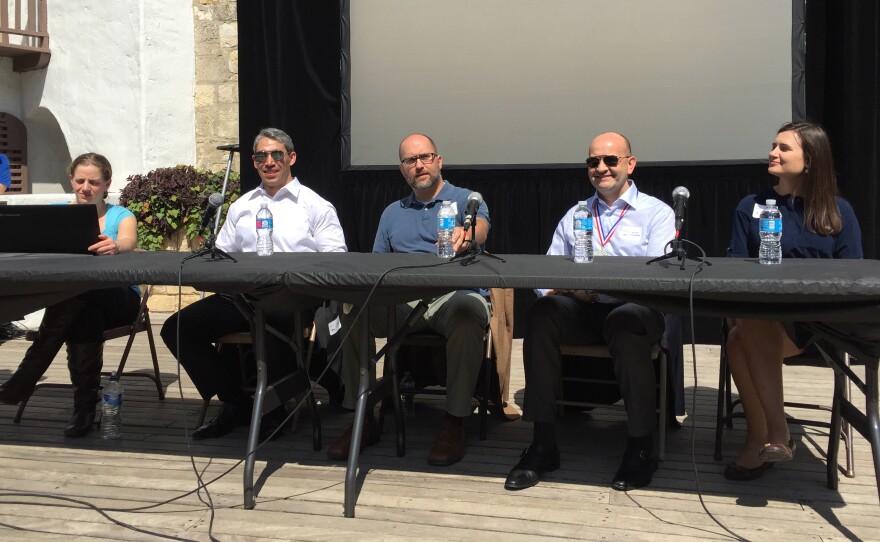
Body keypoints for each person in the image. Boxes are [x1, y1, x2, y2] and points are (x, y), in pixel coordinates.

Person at [504, 132, 675, 492]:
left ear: (630, 164)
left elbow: (658, 278)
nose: (601, 168)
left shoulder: (657, 213)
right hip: (583, 309)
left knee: (625, 320)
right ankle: (543, 445)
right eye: (593, 161)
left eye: (610, 160)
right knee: (542, 312)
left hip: (634, 310)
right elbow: (547, 274)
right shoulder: (576, 213)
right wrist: (564, 291)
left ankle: (640, 447)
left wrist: (595, 289)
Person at [160, 128, 346, 441]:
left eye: (276, 155)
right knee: (177, 328)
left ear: (291, 158)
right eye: (261, 156)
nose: (269, 162)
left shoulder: (315, 205)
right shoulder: (242, 206)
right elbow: (222, 254)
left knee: (268, 320)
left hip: (292, 296)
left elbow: (336, 260)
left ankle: (273, 406)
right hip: (241, 297)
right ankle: (236, 401)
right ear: (254, 162)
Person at [327, 133, 491, 466]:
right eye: (410, 160)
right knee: (355, 311)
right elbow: (377, 267)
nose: (419, 165)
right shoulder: (392, 212)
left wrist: (467, 233)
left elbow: (481, 228)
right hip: (402, 300)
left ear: (439, 161)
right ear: (401, 169)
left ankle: (455, 421)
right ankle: (363, 416)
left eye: (425, 157)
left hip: (452, 296)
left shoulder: (466, 199)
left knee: (469, 310)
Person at [724, 121, 863, 480]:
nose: (773, 153)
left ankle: (770, 435)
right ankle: (769, 437)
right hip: (764, 317)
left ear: (811, 159)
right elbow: (734, 269)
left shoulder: (838, 211)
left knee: (741, 337)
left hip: (819, 325)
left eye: (784, 148)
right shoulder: (750, 206)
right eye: (773, 145)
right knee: (741, 331)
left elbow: (854, 276)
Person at [0, 153, 139, 437]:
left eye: (94, 182)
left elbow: (128, 240)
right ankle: (84, 409)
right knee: (84, 314)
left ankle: (25, 378)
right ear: (71, 180)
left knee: (77, 295)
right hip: (79, 303)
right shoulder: (57, 215)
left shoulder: (120, 215)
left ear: (107, 183)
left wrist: (115, 246)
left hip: (119, 297)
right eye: (80, 181)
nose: (86, 188)